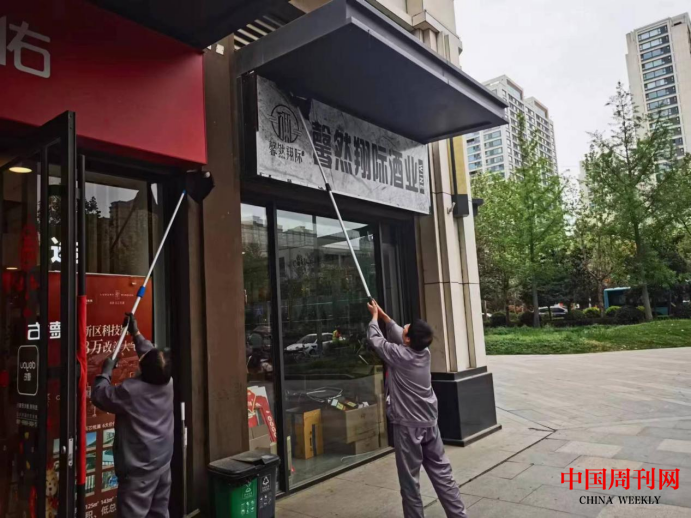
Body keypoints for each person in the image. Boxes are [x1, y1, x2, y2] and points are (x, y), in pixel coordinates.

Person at [366, 300, 468, 518]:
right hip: (429, 423)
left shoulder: (400, 356)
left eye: (407, 328)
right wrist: (384, 316)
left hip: (408, 427)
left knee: (410, 482)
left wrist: (374, 318)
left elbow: (376, 340)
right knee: (443, 474)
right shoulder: (424, 352)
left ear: (408, 340)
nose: (404, 326)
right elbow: (399, 335)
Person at [92, 313, 174, 518]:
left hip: (140, 472)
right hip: (162, 463)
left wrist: (105, 372)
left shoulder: (132, 392)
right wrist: (135, 333)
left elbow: (100, 395)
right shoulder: (167, 381)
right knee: (159, 513)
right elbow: (152, 357)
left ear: (143, 369)